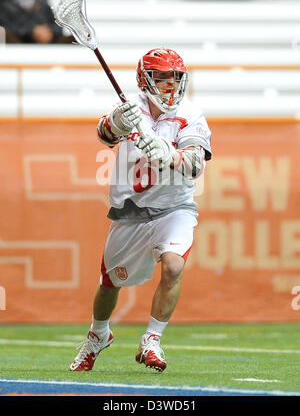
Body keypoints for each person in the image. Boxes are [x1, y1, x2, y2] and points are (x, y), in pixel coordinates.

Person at [69, 48, 212, 372]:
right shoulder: (130, 108)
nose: (169, 84)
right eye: (161, 77)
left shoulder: (191, 114)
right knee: (110, 283)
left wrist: (170, 155)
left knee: (173, 266)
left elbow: (194, 165)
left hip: (174, 206)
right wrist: (119, 121)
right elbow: (104, 134)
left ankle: (152, 339)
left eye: (174, 77)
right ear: (145, 79)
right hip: (131, 210)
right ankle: (98, 335)